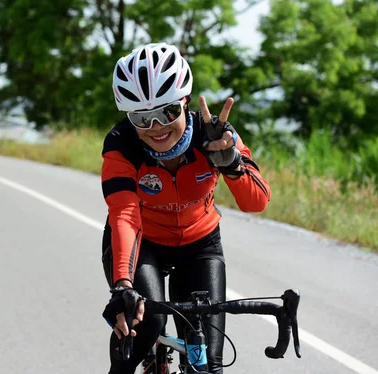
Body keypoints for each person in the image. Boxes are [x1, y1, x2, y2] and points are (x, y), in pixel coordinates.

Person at [100, 42, 271, 374]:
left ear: (185, 102)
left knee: (206, 362)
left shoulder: (216, 137)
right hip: (144, 244)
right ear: (128, 117)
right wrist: (123, 285)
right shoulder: (121, 146)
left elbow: (257, 202)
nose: (156, 128)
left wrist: (233, 164)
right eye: (141, 117)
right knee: (145, 326)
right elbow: (124, 214)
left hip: (199, 245)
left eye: (168, 112)